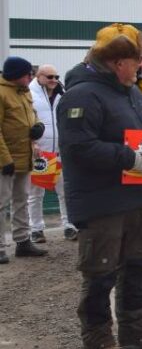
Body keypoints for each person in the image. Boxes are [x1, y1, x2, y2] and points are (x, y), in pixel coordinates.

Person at [59, 23, 142, 349]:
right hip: (101, 202)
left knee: (138, 263)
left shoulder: (131, 92)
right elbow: (79, 147)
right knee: (101, 272)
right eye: (136, 60)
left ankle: (136, 331)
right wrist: (129, 158)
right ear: (116, 62)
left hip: (135, 197)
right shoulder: (82, 96)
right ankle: (98, 340)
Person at [0, 56, 47, 262]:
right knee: (1, 203)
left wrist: (38, 125)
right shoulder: (2, 93)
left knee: (21, 201)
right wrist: (4, 159)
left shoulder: (24, 92)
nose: (31, 77)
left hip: (24, 157)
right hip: (6, 160)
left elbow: (33, 115)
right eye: (29, 73)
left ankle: (22, 241)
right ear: (17, 74)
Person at [28, 64, 76, 243]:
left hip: (60, 151)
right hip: (41, 153)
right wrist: (32, 143)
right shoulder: (30, 95)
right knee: (36, 193)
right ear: (38, 76)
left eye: (56, 77)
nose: (54, 80)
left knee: (65, 191)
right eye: (49, 77)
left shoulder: (62, 95)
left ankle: (69, 225)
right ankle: (36, 229)